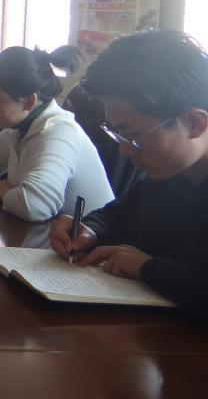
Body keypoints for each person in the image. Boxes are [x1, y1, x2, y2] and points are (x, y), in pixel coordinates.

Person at [49, 31, 208, 313]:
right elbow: (118, 214)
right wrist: (89, 230)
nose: (124, 151)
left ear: (195, 124)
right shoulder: (168, 173)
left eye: (133, 135)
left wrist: (148, 267)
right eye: (117, 134)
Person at [0, 45, 113, 222]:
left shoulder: (59, 132)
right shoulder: (18, 129)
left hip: (88, 239)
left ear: (28, 101)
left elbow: (36, 205)